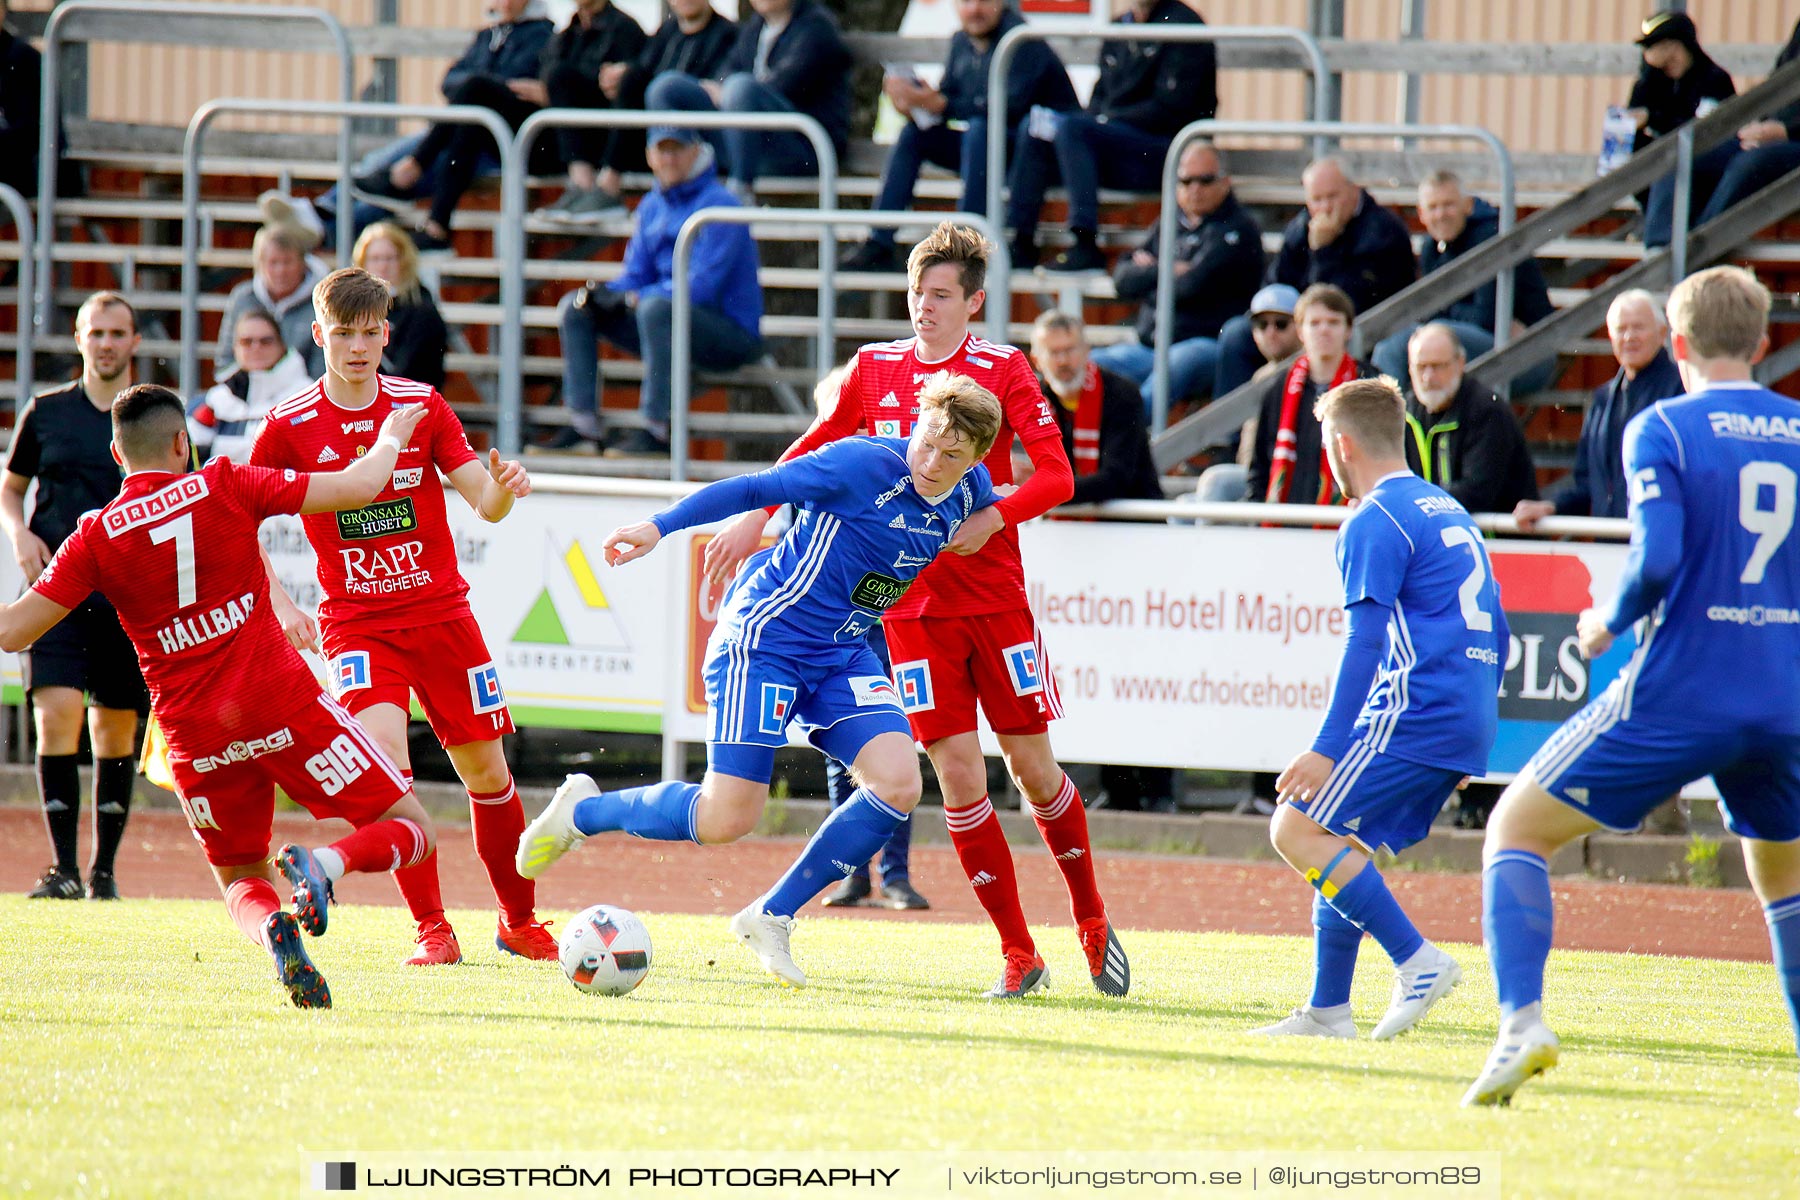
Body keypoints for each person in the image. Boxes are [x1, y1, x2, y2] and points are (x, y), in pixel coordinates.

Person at [700, 223, 1131, 1000]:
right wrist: (754, 510)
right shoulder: (874, 367)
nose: (924, 308)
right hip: (909, 613)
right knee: (958, 780)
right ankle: (1017, 953)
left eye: (940, 295)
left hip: (995, 603)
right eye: (915, 293)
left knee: (1034, 771)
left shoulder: (1003, 368)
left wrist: (992, 519)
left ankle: (1092, 919)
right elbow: (818, 445)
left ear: (973, 301)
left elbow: (1059, 475)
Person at [516, 374, 1003, 987]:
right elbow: (756, 487)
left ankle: (770, 916)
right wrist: (658, 528)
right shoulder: (859, 465)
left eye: (952, 455)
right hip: (766, 641)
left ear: (976, 459)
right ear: (916, 424)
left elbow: (1002, 498)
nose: (932, 461)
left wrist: (995, 516)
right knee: (727, 819)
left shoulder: (969, 489)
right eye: (926, 442)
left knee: (900, 781)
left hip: (843, 652)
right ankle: (586, 812)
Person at [1464, 266, 1800, 1107]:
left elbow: (1656, 560)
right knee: (1785, 886)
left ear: (1678, 345)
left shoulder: (1664, 428)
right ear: (1762, 344)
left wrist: (1605, 623)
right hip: (1785, 699)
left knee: (1515, 828)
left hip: (1682, 690)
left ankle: (1522, 1023)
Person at [1, 385, 437, 1007]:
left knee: (238, 875)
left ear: (118, 455)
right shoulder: (226, 482)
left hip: (195, 735)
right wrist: (392, 435)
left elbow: (13, 630)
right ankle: (326, 865)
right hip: (279, 703)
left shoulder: (95, 534)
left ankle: (271, 929)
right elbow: (358, 486)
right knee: (411, 827)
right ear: (183, 443)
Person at [249, 268, 550, 967]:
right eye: (343, 334)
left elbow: (482, 497)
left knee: (485, 772)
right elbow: (239, 522)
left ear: (388, 332)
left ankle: (517, 919)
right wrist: (284, 603)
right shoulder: (288, 426)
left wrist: (504, 491)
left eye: (370, 332)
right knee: (387, 769)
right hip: (357, 626)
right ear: (318, 334)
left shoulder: (420, 405)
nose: (358, 347)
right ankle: (432, 930)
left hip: (442, 616)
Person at [1252, 375, 1506, 1040]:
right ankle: (1329, 1010)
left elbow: (1365, 642)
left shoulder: (1374, 517)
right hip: (1464, 711)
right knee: (1340, 842)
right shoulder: (1448, 509)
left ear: (1341, 446)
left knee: (1295, 828)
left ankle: (1418, 962)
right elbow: (1499, 627)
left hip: (1417, 705)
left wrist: (1326, 746)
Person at [4, 292, 150, 901]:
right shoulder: (45, 412)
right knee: (55, 715)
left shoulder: (151, 416)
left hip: (126, 593)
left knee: (116, 733)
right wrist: (19, 533)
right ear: (79, 338)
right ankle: (61, 868)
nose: (108, 343)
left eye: (118, 332)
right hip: (58, 589)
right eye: (97, 333)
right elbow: (10, 488)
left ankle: (104, 875)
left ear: (135, 342)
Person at [257, 3, 554, 250]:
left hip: (495, 144)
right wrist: (476, 88)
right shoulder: (488, 35)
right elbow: (451, 82)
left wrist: (477, 86)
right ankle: (323, 215)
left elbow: (495, 89)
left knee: (403, 171)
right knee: (388, 166)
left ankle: (325, 220)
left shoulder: (540, 35)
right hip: (460, 135)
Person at [796, 367, 926, 913]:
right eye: (830, 422)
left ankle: (896, 873)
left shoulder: (889, 477)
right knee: (840, 759)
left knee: (899, 742)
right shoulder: (813, 481)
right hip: (836, 636)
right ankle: (853, 875)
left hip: (888, 631)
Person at [359, 0, 640, 253]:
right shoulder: (565, 34)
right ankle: (437, 224)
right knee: (475, 113)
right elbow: (451, 82)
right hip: (546, 137)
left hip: (582, 148)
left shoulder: (617, 30)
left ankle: (410, 170)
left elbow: (625, 90)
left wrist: (552, 90)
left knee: (482, 94)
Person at [549, 127, 763, 457]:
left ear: (697, 151)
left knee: (655, 308)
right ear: (649, 156)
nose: (669, 158)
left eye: (677, 149)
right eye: (661, 150)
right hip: (666, 316)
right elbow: (635, 274)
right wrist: (604, 293)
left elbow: (703, 286)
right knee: (576, 307)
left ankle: (657, 431)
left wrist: (635, 297)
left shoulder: (722, 204)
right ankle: (582, 427)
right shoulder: (652, 204)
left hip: (729, 332)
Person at [1031, 309, 1170, 813]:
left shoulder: (1121, 394)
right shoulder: (1034, 400)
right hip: (1075, 557)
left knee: (1144, 669)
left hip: (1136, 552)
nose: (1065, 361)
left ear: (1087, 350)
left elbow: (1117, 476)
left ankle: (1157, 791)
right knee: (1088, 667)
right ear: (1038, 358)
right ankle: (1114, 786)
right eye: (1055, 352)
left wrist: (1041, 492)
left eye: (1072, 349)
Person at [838, 0, 1077, 272]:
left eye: (984, 1)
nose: (974, 9)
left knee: (979, 130)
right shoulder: (961, 40)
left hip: (1039, 161)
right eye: (965, 1)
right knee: (915, 134)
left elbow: (1006, 108)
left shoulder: (1022, 41)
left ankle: (966, 244)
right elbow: (951, 98)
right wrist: (914, 102)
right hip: (990, 153)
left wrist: (938, 103)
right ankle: (879, 242)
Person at [1004, 0, 1216, 272]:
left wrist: (1104, 121)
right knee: (1036, 129)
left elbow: (1170, 109)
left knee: (1073, 128)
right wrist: (1098, 121)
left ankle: (1085, 245)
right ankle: (1020, 242)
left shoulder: (1185, 26)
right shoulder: (1119, 26)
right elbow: (1100, 96)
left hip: (1165, 154)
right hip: (1117, 147)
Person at [1214, 159, 1416, 400]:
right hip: (1300, 325)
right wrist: (1278, 322)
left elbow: (1344, 302)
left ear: (1354, 190)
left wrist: (1323, 251)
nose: (1325, 208)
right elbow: (1276, 284)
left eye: (1332, 197)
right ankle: (1230, 434)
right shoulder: (1300, 227)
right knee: (1237, 334)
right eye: (1317, 200)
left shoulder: (1383, 231)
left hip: (1353, 328)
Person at [1090, 140, 1263, 420]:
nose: (1195, 188)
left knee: (1151, 390)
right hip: (1149, 346)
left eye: (1205, 180)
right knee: (1088, 368)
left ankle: (1126, 445)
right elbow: (1122, 279)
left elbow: (1190, 286)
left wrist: (1154, 271)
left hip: (1203, 344)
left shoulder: (1240, 229)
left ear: (1225, 182)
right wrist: (1169, 269)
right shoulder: (1168, 223)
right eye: (1186, 180)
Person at [1371, 171, 1558, 395]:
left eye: (1448, 204)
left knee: (1408, 343)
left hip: (1526, 356)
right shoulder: (1432, 248)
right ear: (1421, 214)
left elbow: (1485, 319)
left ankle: (1387, 420)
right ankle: (1394, 419)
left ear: (1468, 206)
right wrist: (1441, 315)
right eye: (1433, 207)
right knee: (1393, 349)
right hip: (1478, 349)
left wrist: (1441, 313)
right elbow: (1433, 313)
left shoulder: (1490, 238)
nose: (1441, 214)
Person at [1514, 289, 1684, 530]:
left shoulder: (1681, 390)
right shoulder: (1603, 399)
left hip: (1659, 539)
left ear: (1662, 333)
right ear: (1610, 337)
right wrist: (1552, 506)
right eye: (1621, 329)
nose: (1629, 337)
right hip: (1607, 545)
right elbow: (1587, 485)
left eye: (1638, 327)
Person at [644, 0, 851, 195]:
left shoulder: (816, 27)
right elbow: (726, 71)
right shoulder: (756, 27)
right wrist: (722, 88)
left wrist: (730, 90)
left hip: (802, 147)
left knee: (740, 88)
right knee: (666, 87)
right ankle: (669, 188)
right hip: (742, 141)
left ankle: (740, 194)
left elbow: (785, 84)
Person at [1646, 18, 1800, 248]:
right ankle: (1660, 248)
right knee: (1685, 155)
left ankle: (1696, 248)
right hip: (1769, 132)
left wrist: (1787, 131)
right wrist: (1758, 121)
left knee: (1750, 164)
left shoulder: (1711, 76)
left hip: (1790, 140)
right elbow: (1777, 84)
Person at [574, 0, 737, 217]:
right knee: (626, 79)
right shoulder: (666, 32)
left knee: (658, 86)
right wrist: (621, 75)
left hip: (698, 142)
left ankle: (611, 185)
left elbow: (717, 88)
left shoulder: (728, 34)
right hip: (653, 142)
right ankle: (583, 183)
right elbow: (643, 70)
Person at [1246, 284, 1379, 507]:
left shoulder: (1371, 385)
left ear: (1348, 330)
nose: (1324, 330)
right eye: (1314, 323)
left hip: (1350, 518)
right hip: (1286, 520)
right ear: (1300, 331)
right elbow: (1259, 465)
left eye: (1333, 322)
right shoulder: (1279, 389)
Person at [528, 0, 651, 224]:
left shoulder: (625, 29)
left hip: (618, 144)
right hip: (581, 143)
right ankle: (581, 184)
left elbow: (638, 79)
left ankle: (606, 191)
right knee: (557, 75)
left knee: (627, 78)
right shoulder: (566, 34)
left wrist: (616, 77)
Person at [1401, 323, 1539, 515]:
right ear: (1409, 368)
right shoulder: (1403, 413)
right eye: (1421, 366)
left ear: (1460, 363)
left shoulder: (1488, 411)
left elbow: (1476, 492)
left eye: (1438, 366)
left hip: (1493, 539)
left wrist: (1405, 502)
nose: (1428, 376)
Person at [189, 309, 313, 465]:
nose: (256, 348)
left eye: (265, 341)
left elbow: (285, 453)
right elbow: (191, 451)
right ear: (235, 348)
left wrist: (215, 449)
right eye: (246, 342)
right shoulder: (216, 398)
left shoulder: (306, 395)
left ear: (282, 345)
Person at [216, 224, 326, 379]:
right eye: (273, 262)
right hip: (244, 394)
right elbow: (225, 363)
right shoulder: (242, 297)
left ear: (303, 263)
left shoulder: (321, 301)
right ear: (259, 264)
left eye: (287, 262)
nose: (280, 270)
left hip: (300, 393)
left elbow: (321, 372)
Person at [353, 222, 448, 392]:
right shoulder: (353, 308)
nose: (382, 266)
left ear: (404, 261)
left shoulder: (422, 310)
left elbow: (410, 372)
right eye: (375, 259)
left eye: (390, 258)